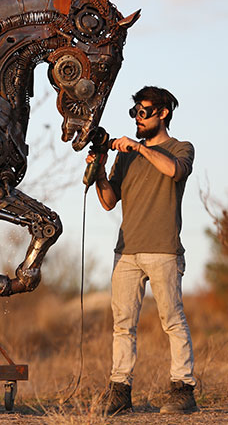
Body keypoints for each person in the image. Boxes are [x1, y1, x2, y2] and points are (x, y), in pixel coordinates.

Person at [87, 86, 197, 415]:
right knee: (122, 324)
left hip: (164, 250)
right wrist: (100, 171)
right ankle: (120, 391)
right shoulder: (126, 156)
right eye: (135, 111)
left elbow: (174, 170)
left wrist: (138, 147)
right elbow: (108, 201)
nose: (138, 117)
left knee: (172, 320)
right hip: (126, 252)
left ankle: (183, 390)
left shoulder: (181, 148)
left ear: (163, 113)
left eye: (145, 111)